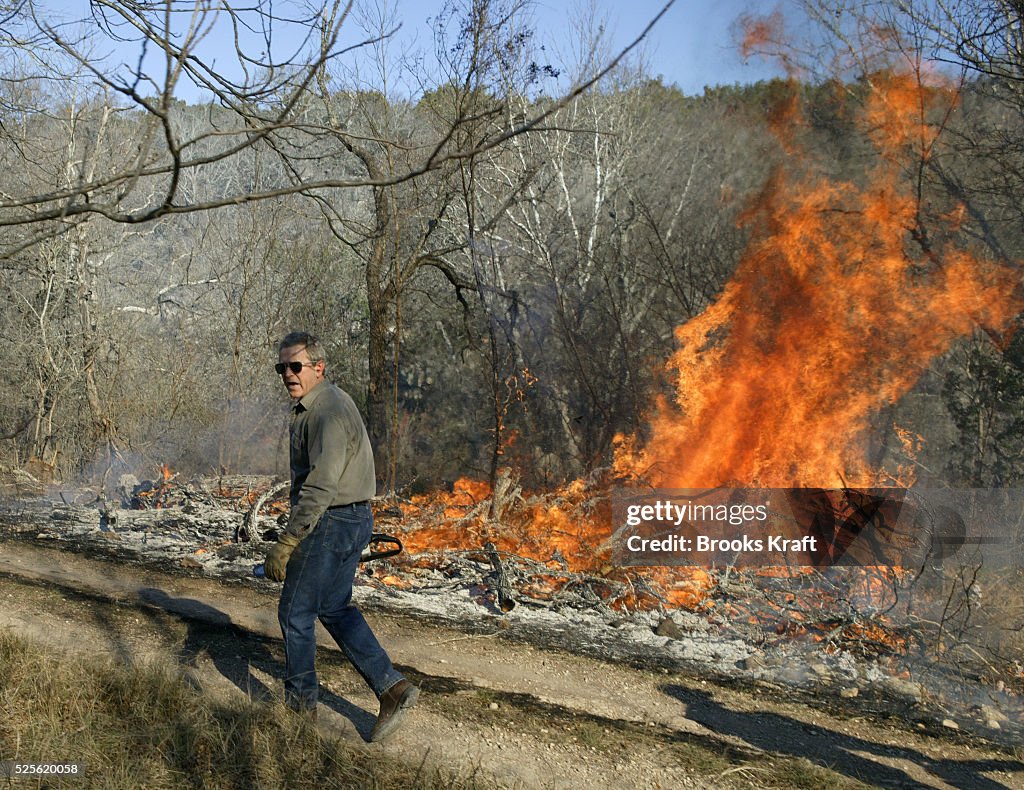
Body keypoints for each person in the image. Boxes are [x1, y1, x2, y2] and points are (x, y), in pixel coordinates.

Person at [264, 331, 418, 741]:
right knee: (334, 607)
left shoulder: (327, 413)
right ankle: (392, 688)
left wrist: (287, 541)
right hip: (353, 518)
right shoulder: (322, 404)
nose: (288, 374)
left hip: (331, 522)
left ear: (318, 367)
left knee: (295, 612)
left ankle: (299, 715)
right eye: (282, 367)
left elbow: (321, 486)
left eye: (296, 366)